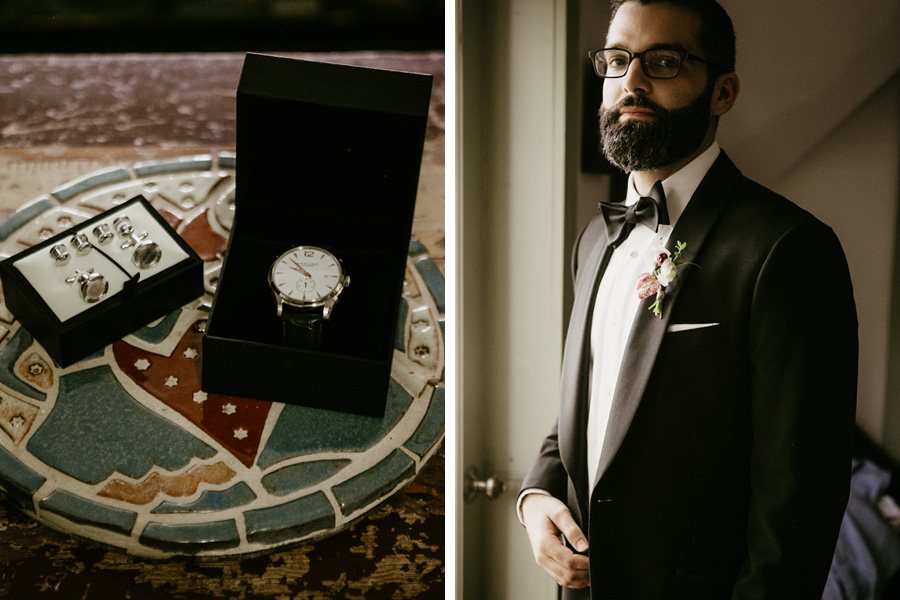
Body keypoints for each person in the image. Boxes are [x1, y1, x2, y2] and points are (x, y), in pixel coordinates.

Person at [517, 0, 858, 598]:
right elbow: (594, 400)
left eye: (664, 62)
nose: (632, 81)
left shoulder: (789, 249)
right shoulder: (593, 239)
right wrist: (536, 497)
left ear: (722, 92)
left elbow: (800, 498)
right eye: (617, 60)